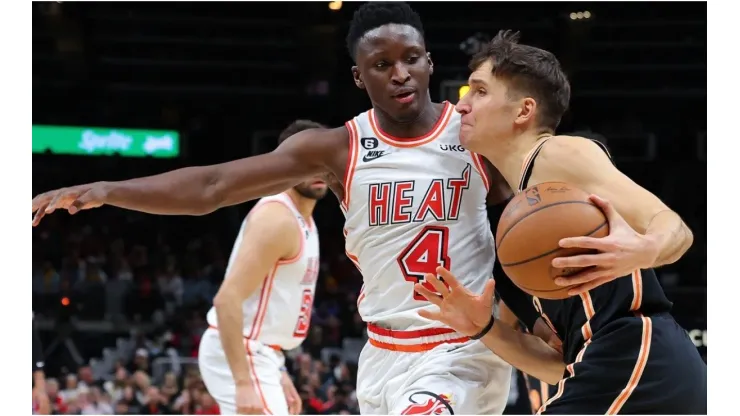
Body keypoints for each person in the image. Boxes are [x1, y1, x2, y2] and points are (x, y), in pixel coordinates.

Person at [31, 3, 517, 413]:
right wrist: (110, 189)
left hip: (463, 348)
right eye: (382, 64)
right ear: (357, 75)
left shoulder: (475, 133)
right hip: (383, 352)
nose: (400, 73)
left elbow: (548, 186)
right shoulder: (337, 148)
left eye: (411, 58)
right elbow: (213, 185)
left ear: (430, 61)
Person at [415, 31, 706, 414]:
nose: (461, 105)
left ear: (524, 111)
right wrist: (482, 327)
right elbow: (558, 367)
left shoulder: (556, 154)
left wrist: (641, 249)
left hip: (639, 354)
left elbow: (674, 229)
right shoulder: (519, 223)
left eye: (480, 91)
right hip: (624, 366)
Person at [198, 120, 328, 415]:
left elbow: (267, 311)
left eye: (322, 160)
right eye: (306, 161)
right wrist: (244, 383)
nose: (317, 169)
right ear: (285, 164)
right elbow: (226, 300)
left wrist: (278, 372)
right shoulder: (277, 218)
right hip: (241, 351)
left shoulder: (303, 218)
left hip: (262, 354)